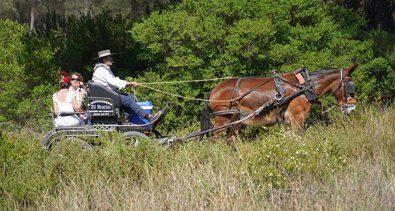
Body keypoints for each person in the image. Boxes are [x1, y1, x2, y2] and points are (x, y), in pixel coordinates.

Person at [92, 49, 162, 122]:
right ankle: (149, 117)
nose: (112, 59)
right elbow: (114, 82)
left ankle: (126, 119)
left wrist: (129, 83)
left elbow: (115, 81)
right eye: (110, 57)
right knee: (129, 100)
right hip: (106, 96)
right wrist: (131, 83)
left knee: (131, 97)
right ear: (104, 59)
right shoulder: (101, 70)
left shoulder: (104, 69)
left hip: (108, 93)